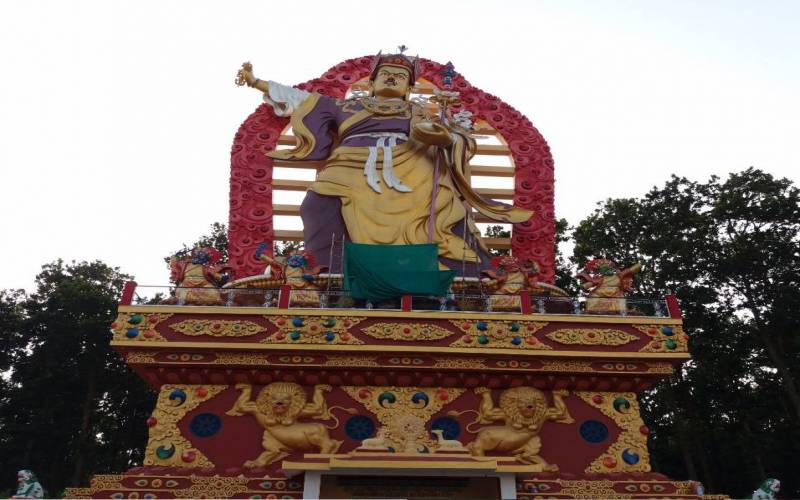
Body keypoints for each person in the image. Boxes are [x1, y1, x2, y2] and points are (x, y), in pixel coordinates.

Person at [236, 52, 532, 273]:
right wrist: (256, 82)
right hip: (351, 163)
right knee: (317, 203)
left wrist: (447, 139)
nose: (392, 78)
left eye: (400, 77)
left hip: (413, 166)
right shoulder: (344, 106)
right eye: (386, 74)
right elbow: (299, 99)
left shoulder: (422, 113)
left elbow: (457, 140)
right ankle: (326, 269)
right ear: (372, 81)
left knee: (445, 204)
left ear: (409, 88)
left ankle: (450, 271)